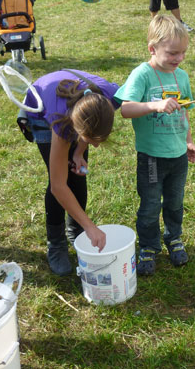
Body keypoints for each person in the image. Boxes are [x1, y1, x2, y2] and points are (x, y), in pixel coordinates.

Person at [115, 15, 195, 276]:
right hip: (151, 156)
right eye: (172, 53)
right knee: (150, 205)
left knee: (175, 202)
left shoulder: (181, 76)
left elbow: (184, 112)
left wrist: (188, 141)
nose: (178, 58)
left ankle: (174, 238)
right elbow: (126, 109)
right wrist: (155, 105)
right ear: (152, 49)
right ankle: (148, 246)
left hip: (177, 156)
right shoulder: (142, 74)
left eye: (183, 53)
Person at [21, 70, 121, 275]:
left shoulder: (110, 97)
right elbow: (58, 186)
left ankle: (76, 230)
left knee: (77, 173)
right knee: (58, 177)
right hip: (40, 107)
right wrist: (91, 226)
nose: (97, 146)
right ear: (75, 128)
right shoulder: (61, 122)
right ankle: (56, 242)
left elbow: (90, 128)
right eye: (89, 139)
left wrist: (78, 152)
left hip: (75, 105)